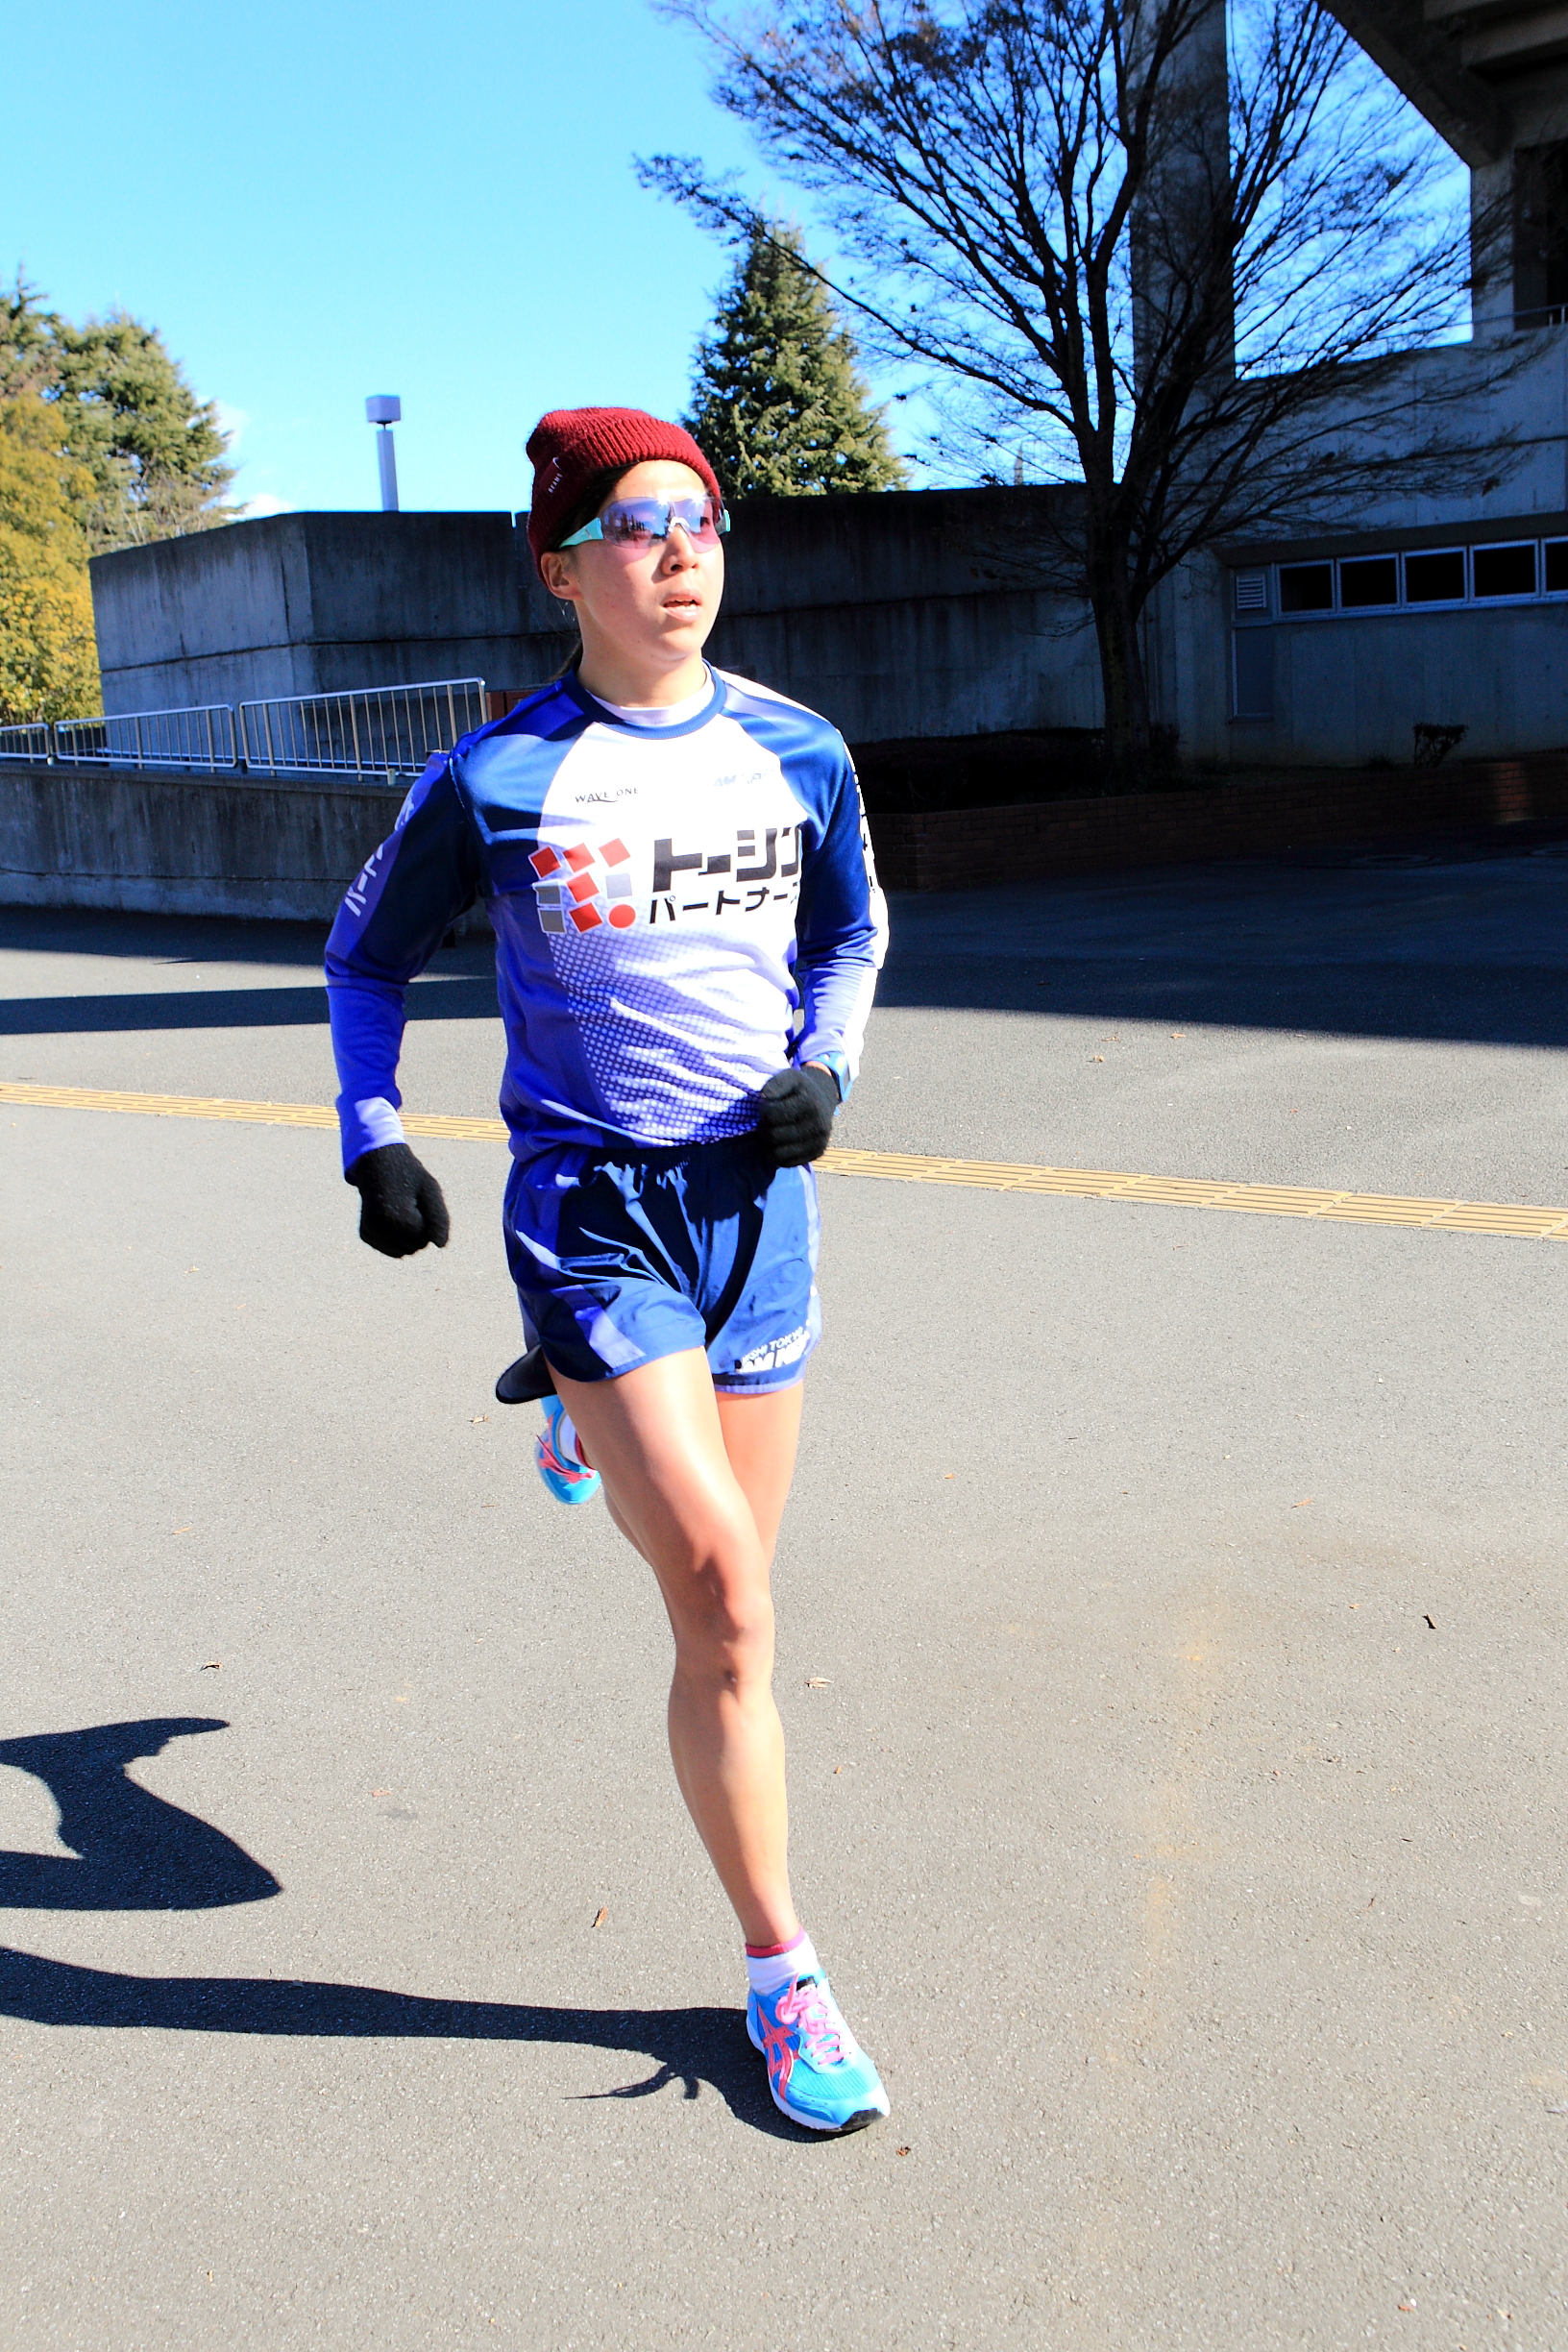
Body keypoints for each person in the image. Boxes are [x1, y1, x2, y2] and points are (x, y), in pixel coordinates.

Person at [324, 406, 891, 2135]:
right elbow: (364, 955)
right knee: (723, 1595)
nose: (681, 550)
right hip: (590, 1213)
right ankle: (784, 1968)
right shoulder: (498, 774)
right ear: (562, 565)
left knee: (736, 1606)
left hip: (757, 1214)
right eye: (639, 524)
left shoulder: (801, 751)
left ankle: (588, 1421)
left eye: (703, 519)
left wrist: (831, 1066)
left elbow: (853, 929)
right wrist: (372, 1130)